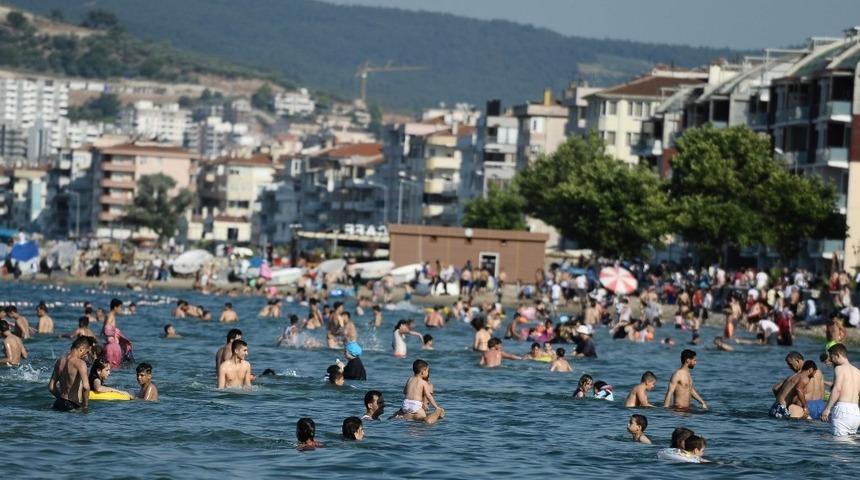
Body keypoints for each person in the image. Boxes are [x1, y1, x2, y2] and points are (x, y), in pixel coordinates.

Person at [821, 343, 860, 436]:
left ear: (838, 355)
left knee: (839, 446)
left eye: (831, 357)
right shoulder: (857, 371)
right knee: (850, 445)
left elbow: (837, 389)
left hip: (843, 410)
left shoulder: (839, 368)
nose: (830, 360)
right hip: (856, 412)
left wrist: (827, 409)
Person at [48, 336, 92, 412]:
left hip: (58, 404)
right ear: (81, 349)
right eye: (86, 352)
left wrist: (61, 399)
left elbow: (51, 387)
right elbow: (86, 387)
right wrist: (85, 406)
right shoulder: (80, 363)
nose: (86, 355)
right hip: (71, 405)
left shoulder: (59, 361)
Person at [393, 359, 445, 423]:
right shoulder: (423, 382)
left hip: (406, 404)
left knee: (405, 415)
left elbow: (404, 392)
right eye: (427, 371)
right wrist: (436, 407)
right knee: (424, 417)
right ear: (423, 372)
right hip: (415, 405)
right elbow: (428, 396)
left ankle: (402, 416)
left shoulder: (410, 379)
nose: (428, 373)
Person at [102, 298, 133, 368]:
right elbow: (106, 330)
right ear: (115, 307)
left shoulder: (108, 315)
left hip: (108, 344)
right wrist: (116, 332)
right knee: (114, 367)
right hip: (112, 346)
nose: (120, 309)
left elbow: (102, 332)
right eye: (120, 307)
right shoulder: (111, 316)